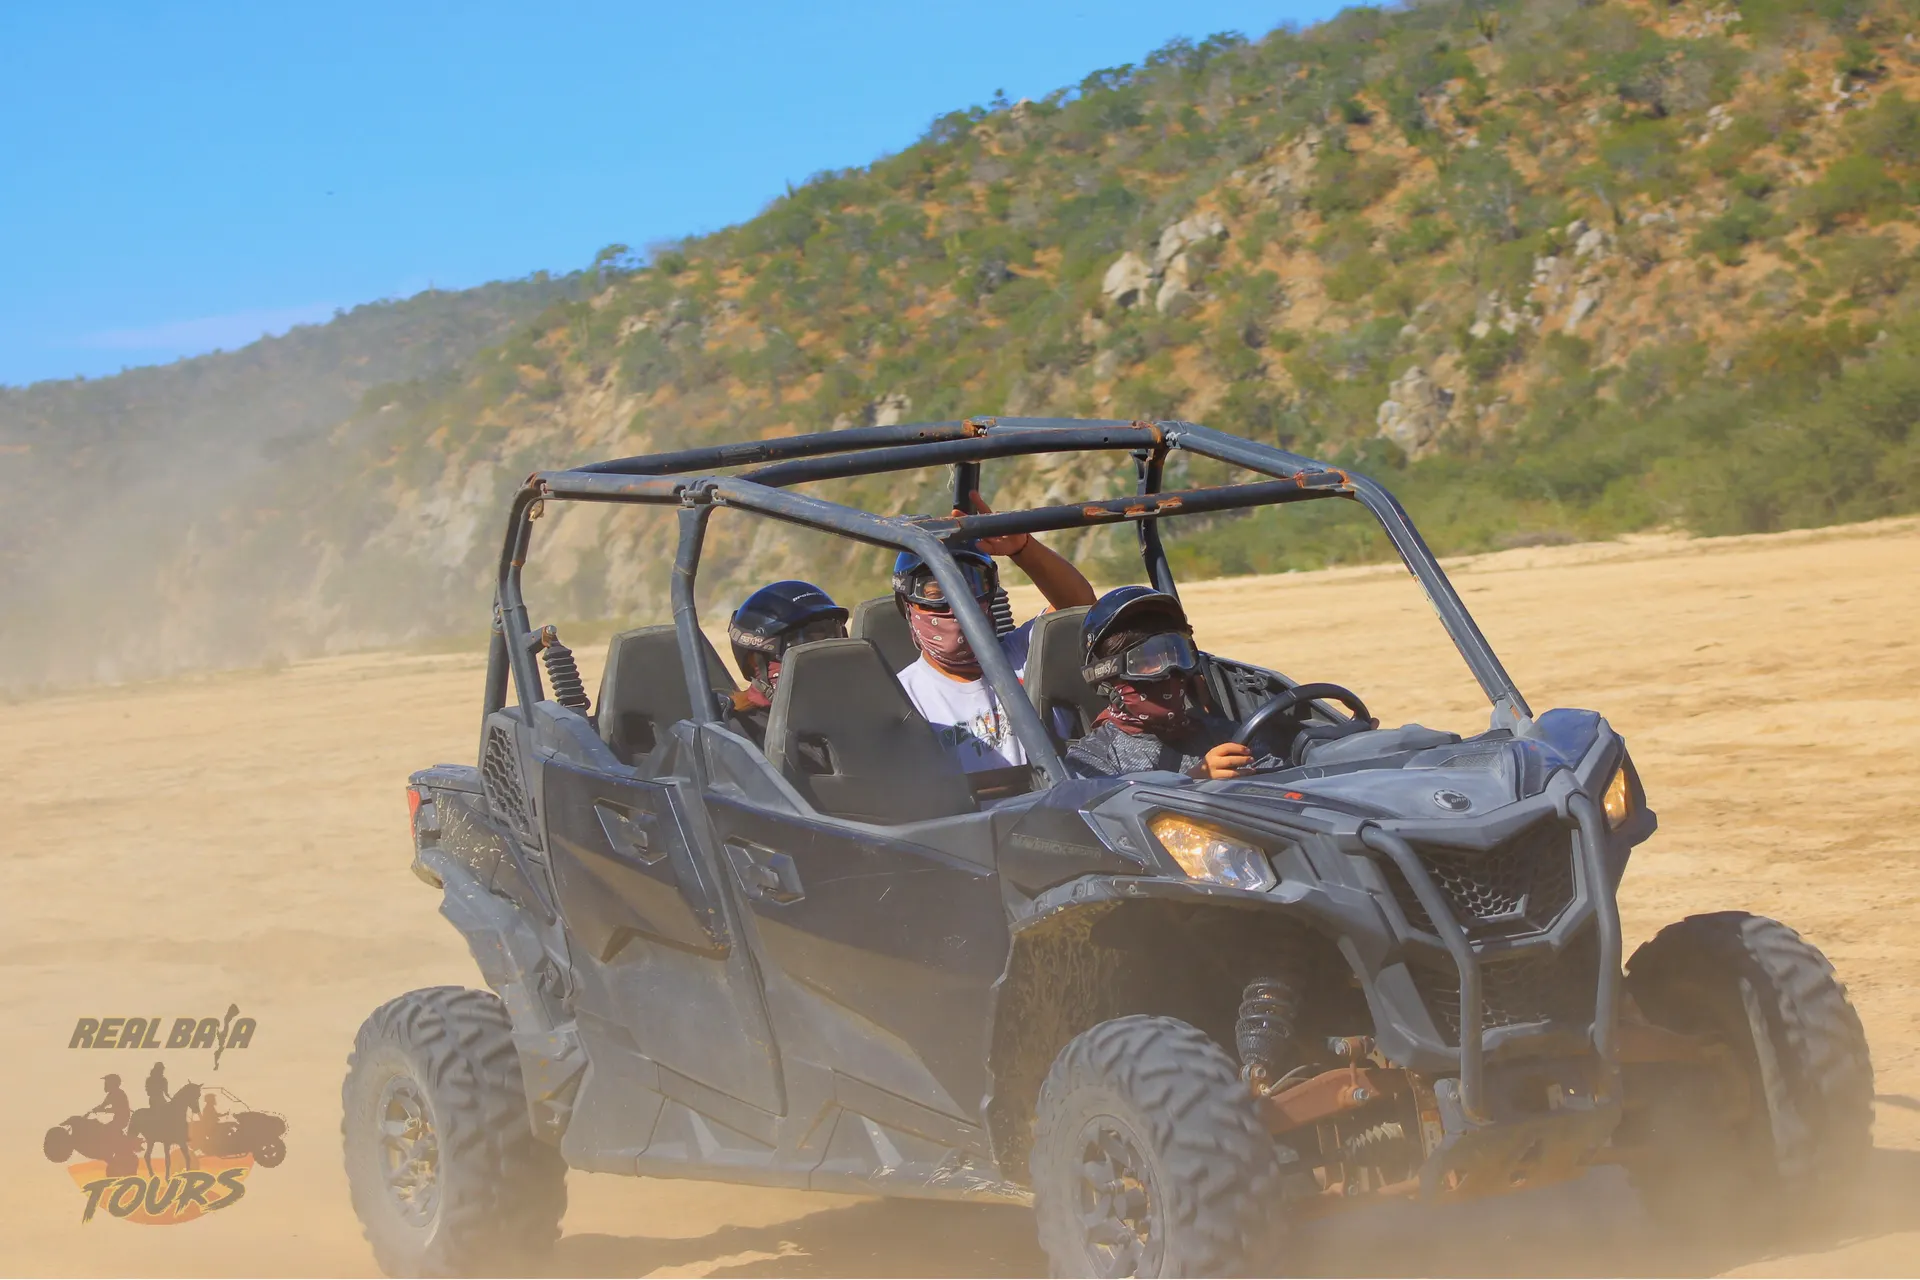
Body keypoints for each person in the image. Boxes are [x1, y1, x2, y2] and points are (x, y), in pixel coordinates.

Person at [894, 491, 1094, 772]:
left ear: (990, 596)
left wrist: (1023, 548)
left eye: (971, 586)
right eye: (936, 592)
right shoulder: (902, 699)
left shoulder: (1027, 654)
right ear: (908, 605)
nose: (957, 605)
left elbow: (1080, 608)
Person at [1065, 586, 1253, 780]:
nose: (1170, 670)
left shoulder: (1224, 734)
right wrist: (1193, 782)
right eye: (1147, 661)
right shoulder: (1091, 759)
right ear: (1105, 677)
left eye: (1176, 654)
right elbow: (1107, 806)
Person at [724, 580, 848, 748]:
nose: (822, 656)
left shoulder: (855, 713)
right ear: (756, 659)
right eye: (804, 643)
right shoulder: (740, 737)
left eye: (832, 637)